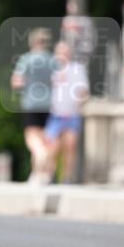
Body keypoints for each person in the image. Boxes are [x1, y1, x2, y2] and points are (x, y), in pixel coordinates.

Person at [11, 27, 56, 184]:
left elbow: (16, 82)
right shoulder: (53, 60)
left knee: (32, 138)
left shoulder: (26, 59)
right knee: (46, 138)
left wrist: (27, 85)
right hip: (50, 105)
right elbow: (59, 82)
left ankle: (41, 159)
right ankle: (39, 174)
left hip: (31, 103)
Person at [44, 41, 89, 184]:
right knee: (52, 148)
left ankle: (67, 178)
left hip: (72, 114)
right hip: (56, 114)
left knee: (70, 148)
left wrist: (78, 104)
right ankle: (50, 175)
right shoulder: (52, 70)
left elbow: (83, 91)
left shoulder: (77, 69)